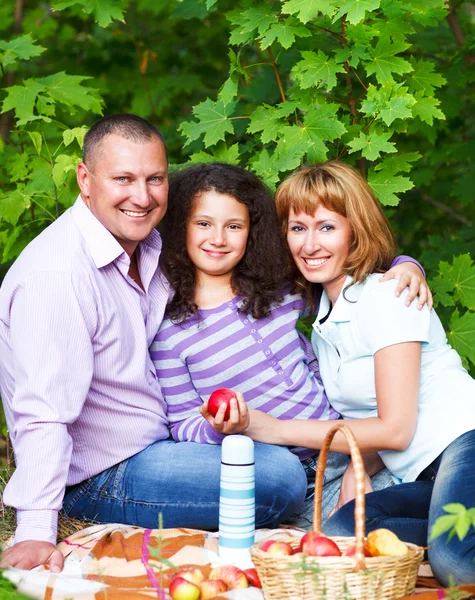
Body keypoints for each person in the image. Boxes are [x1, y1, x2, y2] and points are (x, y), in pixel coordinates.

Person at [0, 115, 307, 572]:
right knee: (278, 477)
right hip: (104, 473)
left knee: (268, 462)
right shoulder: (57, 278)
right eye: (123, 179)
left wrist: (401, 266)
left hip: (165, 441)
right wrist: (35, 531)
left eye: (155, 179)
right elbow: (42, 410)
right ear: (85, 179)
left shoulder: (150, 244)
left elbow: (263, 258)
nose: (141, 197)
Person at [151, 162, 431, 524]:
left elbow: (348, 264)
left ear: (251, 232)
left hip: (352, 454)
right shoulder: (170, 332)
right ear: (180, 228)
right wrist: (217, 428)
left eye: (233, 226)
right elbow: (182, 423)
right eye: (203, 223)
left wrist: (408, 265)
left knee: (422, 520)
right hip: (284, 479)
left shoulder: (280, 289)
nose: (218, 238)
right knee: (347, 541)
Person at [241, 160, 475, 585]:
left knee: (457, 562)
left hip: (465, 443)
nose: (310, 244)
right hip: (425, 471)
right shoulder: (324, 323)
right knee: (341, 533)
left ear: (356, 231)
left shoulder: (388, 297)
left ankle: (451, 548)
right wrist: (357, 464)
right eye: (298, 228)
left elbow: (395, 429)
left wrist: (272, 428)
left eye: (327, 227)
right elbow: (378, 422)